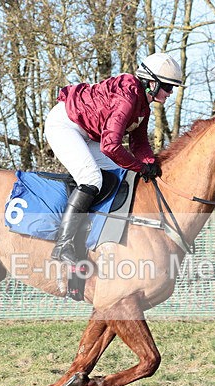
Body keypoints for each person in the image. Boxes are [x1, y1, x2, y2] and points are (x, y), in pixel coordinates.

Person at [43, 52, 184, 264]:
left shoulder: (142, 105)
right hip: (65, 124)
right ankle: (63, 245)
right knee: (92, 179)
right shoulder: (127, 98)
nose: (170, 92)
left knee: (120, 176)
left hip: (89, 133)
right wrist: (140, 167)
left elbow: (139, 142)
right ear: (151, 83)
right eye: (167, 87)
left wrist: (150, 164)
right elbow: (110, 146)